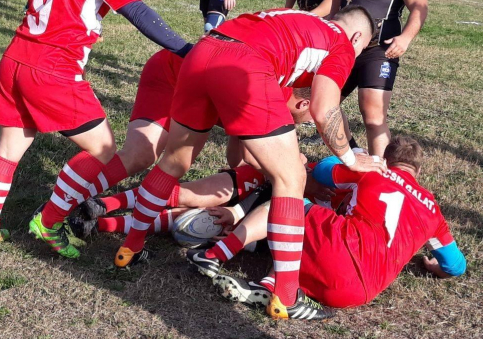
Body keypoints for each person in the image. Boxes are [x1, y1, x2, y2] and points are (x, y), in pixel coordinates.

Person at [112, 6, 386, 321]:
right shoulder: (341, 42)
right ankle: (285, 297)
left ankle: (128, 249)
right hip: (245, 65)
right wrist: (351, 157)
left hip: (206, 49)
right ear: (356, 37)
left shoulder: (299, 19)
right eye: (361, 48)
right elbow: (325, 109)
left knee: (174, 161)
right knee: (292, 178)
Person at [0, 0, 192, 253]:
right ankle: (47, 221)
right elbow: (135, 10)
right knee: (103, 149)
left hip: (15, 58)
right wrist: (186, 50)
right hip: (53, 69)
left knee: (8, 151)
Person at [64, 46, 315, 238]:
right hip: (173, 74)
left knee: (142, 155)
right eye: (309, 117)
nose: (305, 123)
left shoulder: (276, 88)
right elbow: (251, 158)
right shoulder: (273, 98)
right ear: (304, 103)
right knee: (141, 154)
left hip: (178, 69)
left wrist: (253, 181)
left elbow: (238, 157)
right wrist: (290, 174)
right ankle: (64, 205)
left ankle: (86, 210)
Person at [208, 137, 467, 313]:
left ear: (385, 161)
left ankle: (215, 254)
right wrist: (437, 268)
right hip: (357, 294)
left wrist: (355, 159)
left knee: (289, 206)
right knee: (309, 241)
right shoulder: (433, 210)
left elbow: (323, 170)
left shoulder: (372, 171)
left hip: (339, 250)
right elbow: (456, 265)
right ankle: (269, 285)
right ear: (418, 172)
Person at [329, 0, 428, 158]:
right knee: (320, 102)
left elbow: (419, 6)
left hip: (379, 50)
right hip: (344, 47)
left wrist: (405, 38)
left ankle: (380, 174)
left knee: (373, 117)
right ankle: (352, 150)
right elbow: (336, 1)